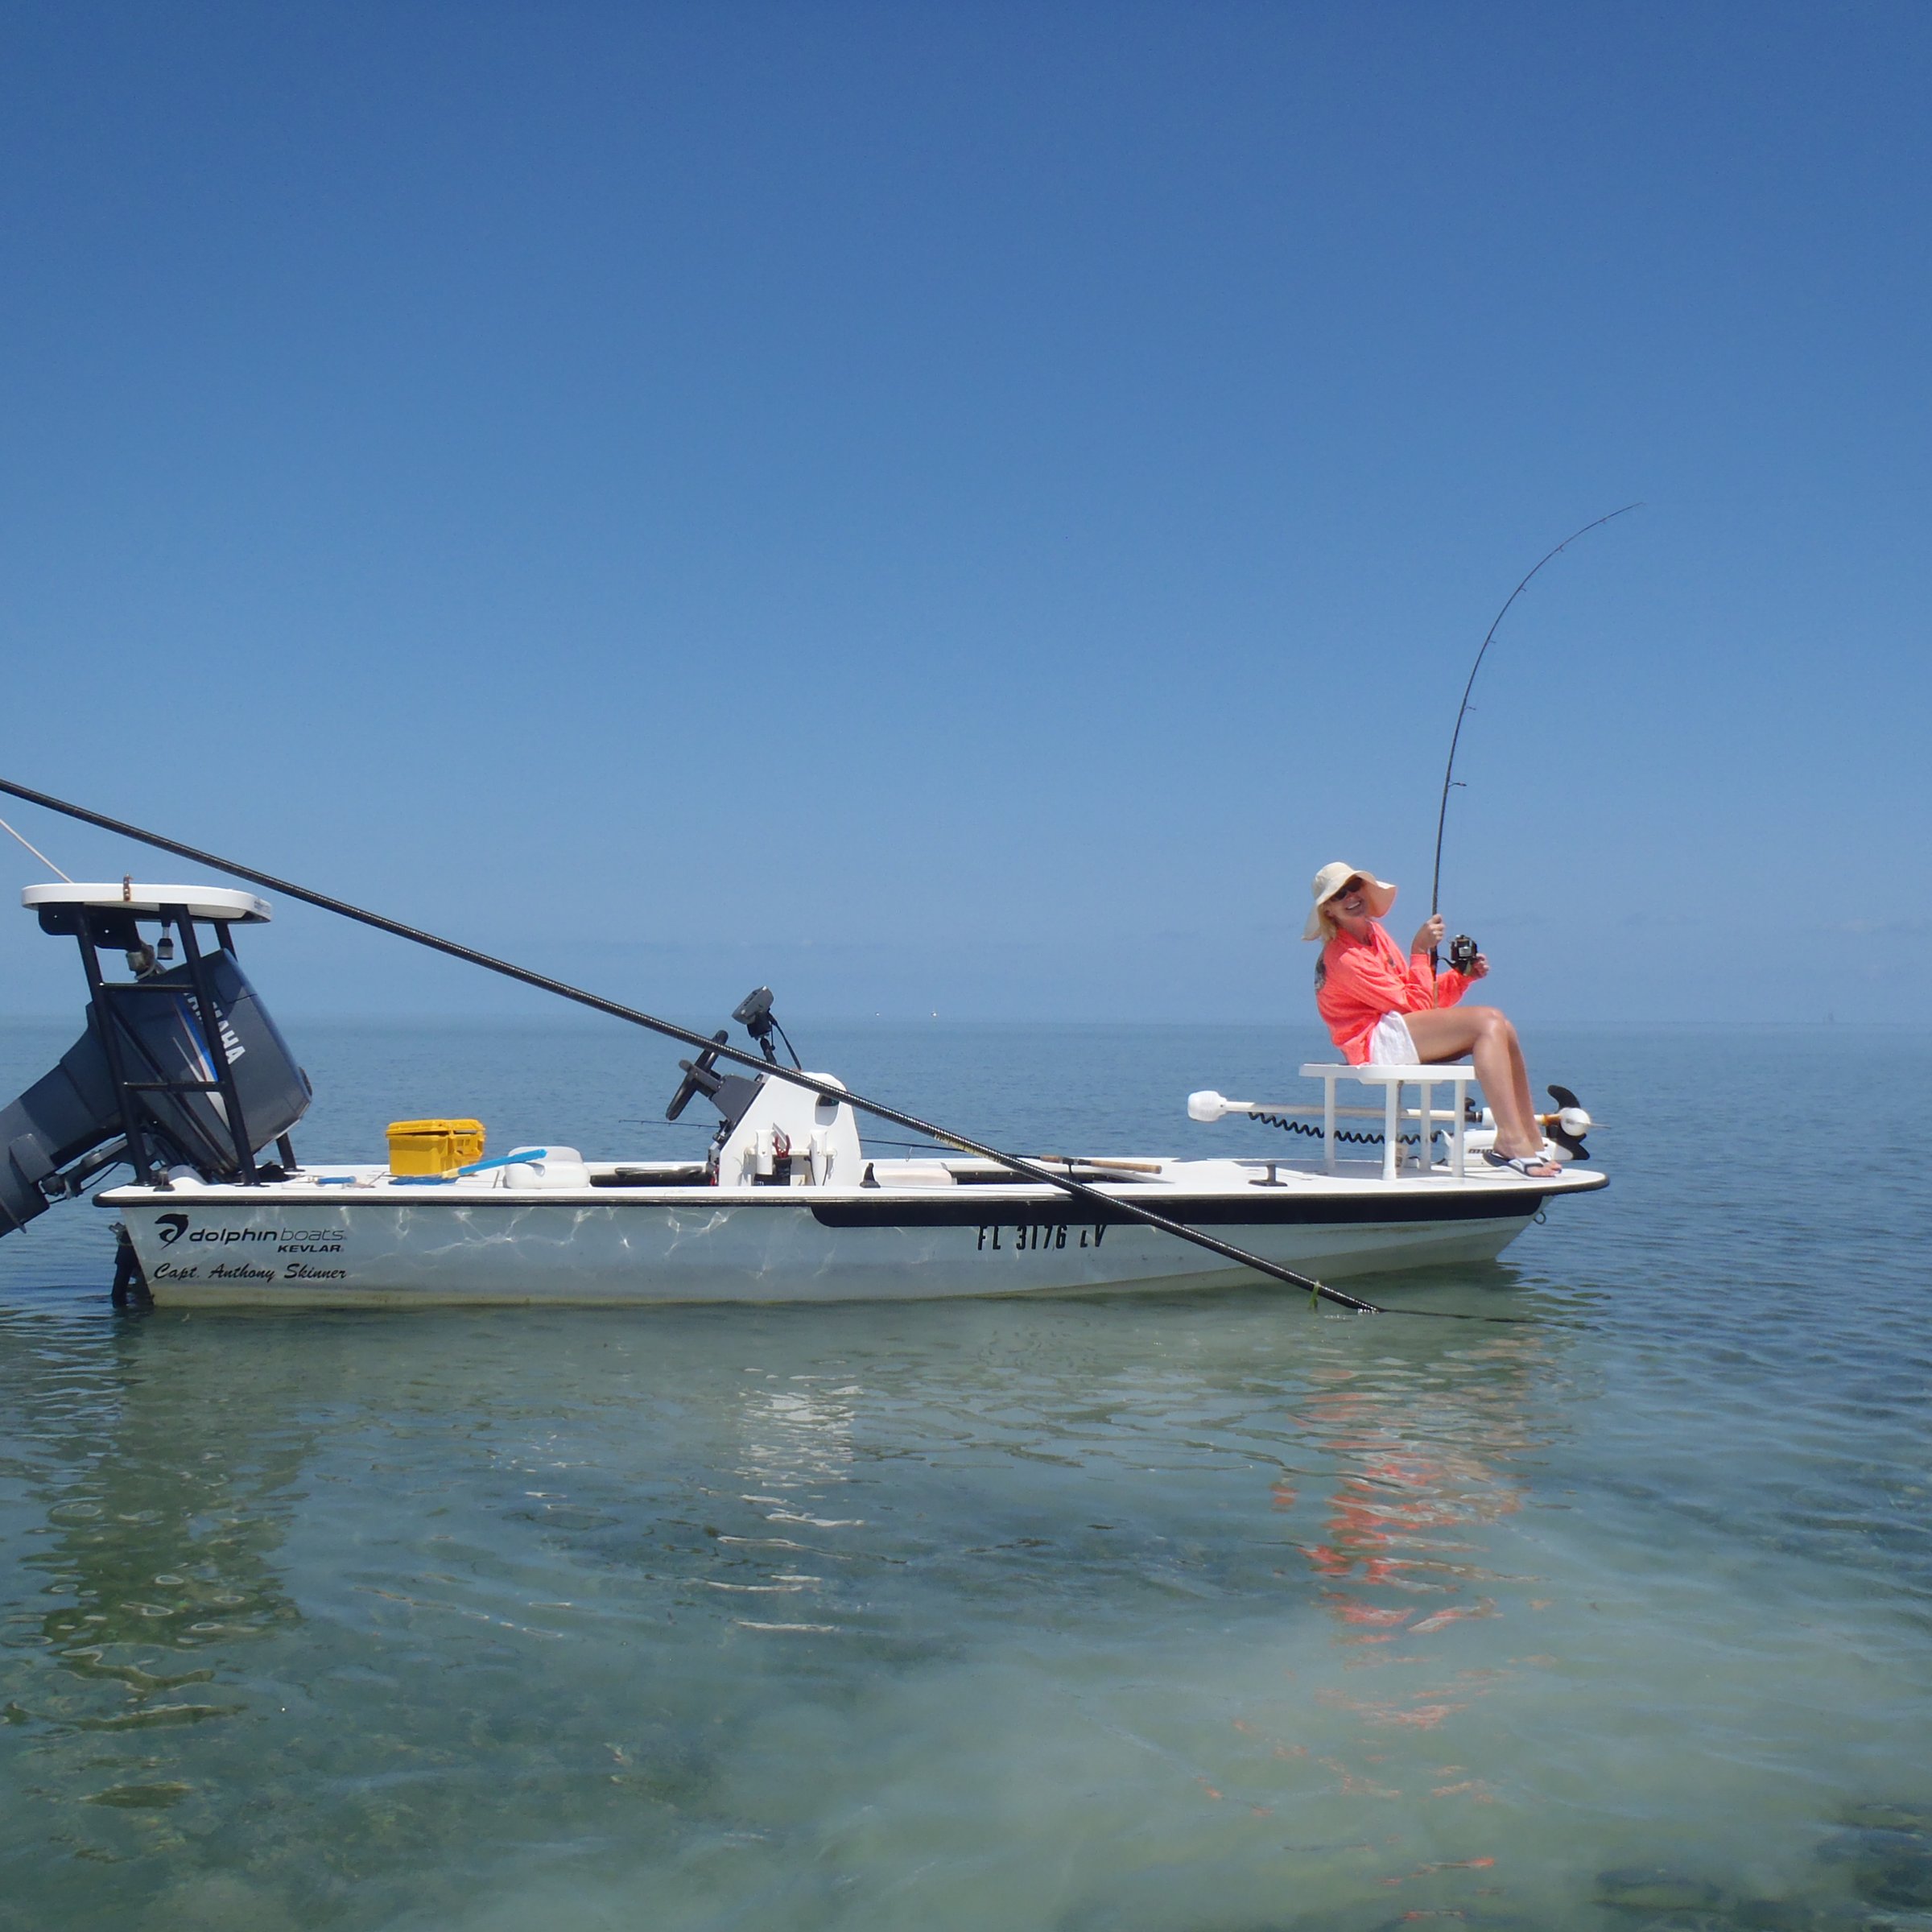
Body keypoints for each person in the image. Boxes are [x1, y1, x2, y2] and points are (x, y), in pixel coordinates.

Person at [1304, 861, 1558, 1178]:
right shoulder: (1343, 957)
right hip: (1372, 1042)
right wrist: (1419, 951)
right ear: (1328, 910)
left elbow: (1421, 998)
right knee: (1488, 1019)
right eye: (1339, 894)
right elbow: (1416, 1007)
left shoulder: (1375, 934)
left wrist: (1461, 978)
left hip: (1396, 1028)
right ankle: (1510, 1140)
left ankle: (1529, 1140)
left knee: (1501, 1027)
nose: (1351, 897)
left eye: (1354, 888)